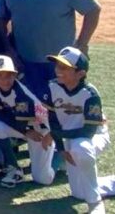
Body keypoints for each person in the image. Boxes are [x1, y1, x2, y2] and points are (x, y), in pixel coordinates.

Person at [42, 47, 115, 212]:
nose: (58, 70)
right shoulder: (52, 88)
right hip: (69, 137)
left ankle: (95, 202)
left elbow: (87, 131)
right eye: (57, 66)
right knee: (79, 193)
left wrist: (54, 135)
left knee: (81, 148)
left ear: (80, 73)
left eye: (64, 67)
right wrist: (60, 149)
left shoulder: (90, 93)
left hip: (93, 137)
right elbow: (53, 121)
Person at [0, 54, 54, 189]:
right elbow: (0, 112)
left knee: (42, 178)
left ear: (15, 75)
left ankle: (58, 158)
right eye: (0, 75)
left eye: (9, 75)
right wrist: (26, 131)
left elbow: (22, 122)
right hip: (25, 128)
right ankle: (14, 168)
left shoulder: (21, 93)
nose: (5, 80)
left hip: (42, 130)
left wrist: (26, 131)